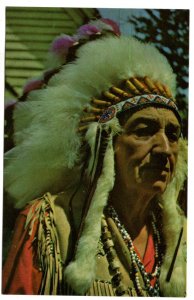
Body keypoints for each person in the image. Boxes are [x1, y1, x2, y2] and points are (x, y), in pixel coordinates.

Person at [2, 18, 187, 296]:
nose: (163, 148)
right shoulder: (52, 225)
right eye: (143, 130)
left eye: (172, 135)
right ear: (106, 143)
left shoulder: (181, 236)